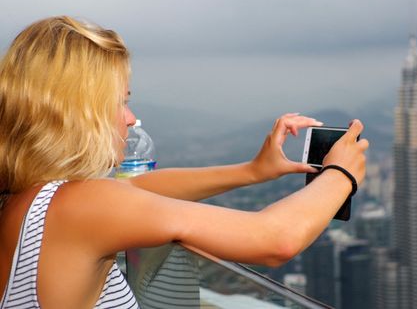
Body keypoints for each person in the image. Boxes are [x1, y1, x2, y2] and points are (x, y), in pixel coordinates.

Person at [0, 16, 368, 309]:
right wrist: (341, 174)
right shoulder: (81, 207)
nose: (129, 118)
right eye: (118, 102)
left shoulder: (25, 198)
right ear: (76, 113)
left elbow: (136, 190)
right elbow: (275, 240)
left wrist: (253, 171)